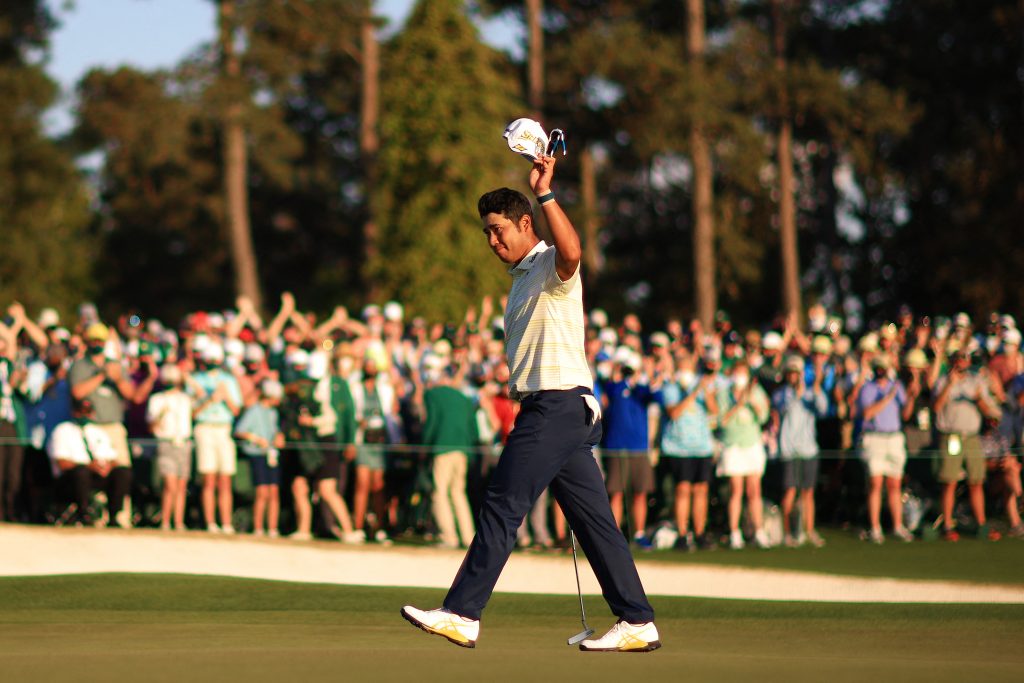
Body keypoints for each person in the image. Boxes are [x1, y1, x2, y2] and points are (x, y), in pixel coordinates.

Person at [401, 154, 659, 652]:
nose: (493, 241)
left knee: (502, 505)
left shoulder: (548, 263)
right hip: (562, 409)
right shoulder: (520, 278)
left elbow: (572, 249)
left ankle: (462, 613)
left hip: (557, 406)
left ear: (526, 224)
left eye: (500, 230)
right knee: (593, 523)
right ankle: (637, 620)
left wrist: (544, 194)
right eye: (486, 234)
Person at [69, 323, 137, 527]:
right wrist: (101, 376)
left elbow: (131, 394)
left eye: (101, 340)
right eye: (94, 339)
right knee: (98, 472)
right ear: (88, 341)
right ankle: (97, 515)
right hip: (92, 427)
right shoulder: (80, 365)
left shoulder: (115, 364)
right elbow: (78, 392)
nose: (97, 343)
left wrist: (116, 378)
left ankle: (121, 515)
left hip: (114, 425)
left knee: (122, 470)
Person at [933, 348, 1001, 541]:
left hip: (971, 436)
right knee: (950, 481)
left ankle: (981, 524)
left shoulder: (976, 382)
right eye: (957, 359)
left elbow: (991, 412)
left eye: (964, 359)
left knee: (976, 480)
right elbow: (936, 407)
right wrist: (949, 385)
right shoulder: (942, 381)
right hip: (951, 436)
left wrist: (978, 398)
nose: (960, 363)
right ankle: (947, 525)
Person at [600, 346, 660, 547]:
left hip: (638, 448)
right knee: (615, 492)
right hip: (616, 447)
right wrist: (619, 371)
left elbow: (655, 396)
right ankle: (613, 534)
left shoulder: (640, 390)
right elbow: (612, 390)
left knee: (640, 493)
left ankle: (639, 533)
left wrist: (645, 374)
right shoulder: (614, 386)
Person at [659, 361, 718, 551]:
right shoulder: (671, 388)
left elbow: (714, 410)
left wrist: (704, 389)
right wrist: (692, 393)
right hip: (679, 448)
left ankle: (699, 533)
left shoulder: (703, 387)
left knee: (701, 490)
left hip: (702, 447)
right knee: (683, 489)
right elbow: (674, 413)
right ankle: (683, 534)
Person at [418, 363, 478, 549]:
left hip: (442, 449)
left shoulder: (432, 395)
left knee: (440, 493)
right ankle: (468, 537)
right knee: (458, 493)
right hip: (462, 450)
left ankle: (448, 536)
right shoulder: (464, 398)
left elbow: (431, 423)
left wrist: (424, 447)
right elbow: (473, 430)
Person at [856, 356, 914, 543]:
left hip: (894, 437)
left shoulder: (896, 386)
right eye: (879, 368)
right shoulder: (868, 388)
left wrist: (911, 395)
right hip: (875, 438)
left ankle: (897, 526)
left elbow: (905, 413)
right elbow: (867, 413)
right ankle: (875, 528)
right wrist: (888, 397)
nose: (881, 371)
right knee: (876, 484)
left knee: (895, 485)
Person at [772, 354, 828, 547]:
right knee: (789, 491)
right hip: (788, 449)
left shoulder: (811, 393)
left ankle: (808, 530)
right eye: (792, 373)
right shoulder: (781, 394)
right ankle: (787, 532)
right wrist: (797, 393)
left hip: (808, 448)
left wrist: (817, 388)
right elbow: (782, 408)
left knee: (807, 492)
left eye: (798, 373)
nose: (794, 377)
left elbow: (822, 409)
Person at [48, 399, 131, 526]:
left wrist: (107, 466)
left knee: (122, 472)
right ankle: (84, 514)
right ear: (75, 412)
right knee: (81, 472)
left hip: (95, 476)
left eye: (89, 411)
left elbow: (113, 458)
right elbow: (61, 463)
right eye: (83, 411)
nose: (86, 415)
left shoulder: (97, 431)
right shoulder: (62, 430)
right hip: (70, 479)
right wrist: (89, 466)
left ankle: (114, 515)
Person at [188, 343, 243, 533]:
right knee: (208, 479)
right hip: (205, 428)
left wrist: (225, 396)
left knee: (225, 480)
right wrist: (209, 399)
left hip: (224, 429)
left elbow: (236, 409)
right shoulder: (196, 379)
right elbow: (193, 413)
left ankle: (226, 523)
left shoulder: (228, 380)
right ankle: (210, 523)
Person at [717, 359, 771, 549]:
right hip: (733, 444)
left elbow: (763, 416)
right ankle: (734, 532)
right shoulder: (724, 393)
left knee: (754, 490)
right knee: (736, 490)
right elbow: (721, 420)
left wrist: (750, 400)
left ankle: (758, 531)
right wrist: (738, 403)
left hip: (752, 443)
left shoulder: (756, 392)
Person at [235, 379, 285, 537]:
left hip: (271, 454)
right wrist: (256, 439)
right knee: (262, 492)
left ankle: (272, 528)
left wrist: (278, 436)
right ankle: (258, 527)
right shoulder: (254, 410)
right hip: (257, 454)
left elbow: (275, 430)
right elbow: (240, 431)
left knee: (274, 492)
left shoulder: (273, 413)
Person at [146, 364, 193, 531]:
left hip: (183, 442)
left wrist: (189, 379)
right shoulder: (157, 399)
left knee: (181, 485)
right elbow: (151, 426)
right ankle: (165, 521)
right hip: (166, 442)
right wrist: (161, 414)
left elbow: (202, 397)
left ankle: (179, 522)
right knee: (170, 484)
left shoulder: (185, 398)